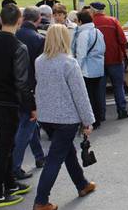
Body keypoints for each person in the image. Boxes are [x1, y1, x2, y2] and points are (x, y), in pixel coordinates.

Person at [0, 4, 36, 209]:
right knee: (3, 148)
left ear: (1, 20)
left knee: (7, 144)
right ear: (19, 21)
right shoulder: (19, 47)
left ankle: (10, 184)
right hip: (5, 102)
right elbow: (22, 83)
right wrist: (31, 106)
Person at [33, 25, 97, 210]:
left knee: (67, 152)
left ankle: (82, 184)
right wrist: (88, 120)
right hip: (66, 118)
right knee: (55, 159)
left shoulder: (39, 61)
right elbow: (80, 95)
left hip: (47, 117)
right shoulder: (69, 63)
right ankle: (41, 201)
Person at [13, 7, 47, 180]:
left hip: (14, 87)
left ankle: (39, 156)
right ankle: (15, 166)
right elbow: (40, 68)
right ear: (38, 19)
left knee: (30, 124)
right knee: (26, 127)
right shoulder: (39, 39)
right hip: (30, 87)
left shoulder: (14, 35)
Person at [91, 2, 128, 120]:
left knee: (100, 89)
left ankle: (101, 114)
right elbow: (122, 40)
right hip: (115, 58)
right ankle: (122, 110)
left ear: (93, 11)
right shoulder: (113, 21)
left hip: (98, 61)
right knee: (118, 86)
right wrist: (124, 54)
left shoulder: (91, 24)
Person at [72, 10, 106, 129]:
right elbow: (103, 48)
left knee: (89, 96)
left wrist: (76, 69)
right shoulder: (98, 31)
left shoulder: (83, 34)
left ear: (80, 21)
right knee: (97, 94)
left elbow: (81, 54)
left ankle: (92, 120)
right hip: (99, 67)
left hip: (87, 69)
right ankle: (99, 116)